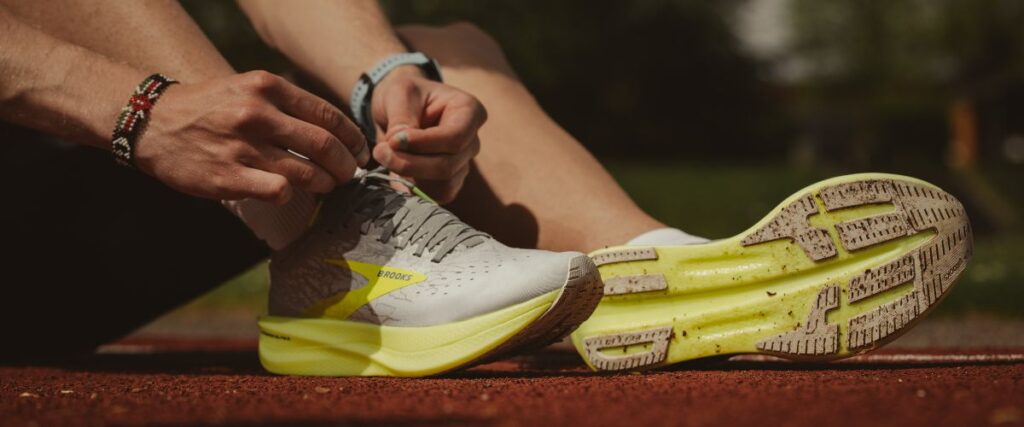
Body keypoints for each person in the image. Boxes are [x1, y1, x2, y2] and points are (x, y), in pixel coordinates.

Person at [0, 1, 972, 375]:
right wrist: (138, 108)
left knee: (453, 48)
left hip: (133, 181)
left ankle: (630, 263)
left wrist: (386, 76)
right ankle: (347, 253)